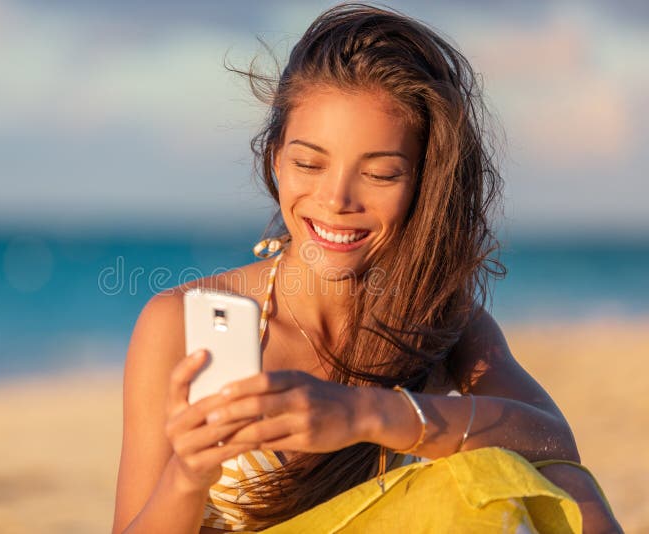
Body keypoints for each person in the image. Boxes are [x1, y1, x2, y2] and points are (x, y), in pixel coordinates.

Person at [112, 4, 621, 533]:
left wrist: (362, 414)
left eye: (380, 174)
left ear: (422, 185)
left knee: (549, 477)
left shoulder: (434, 320)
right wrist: (187, 478)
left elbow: (553, 441)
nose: (335, 200)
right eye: (309, 163)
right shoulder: (177, 325)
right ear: (274, 160)